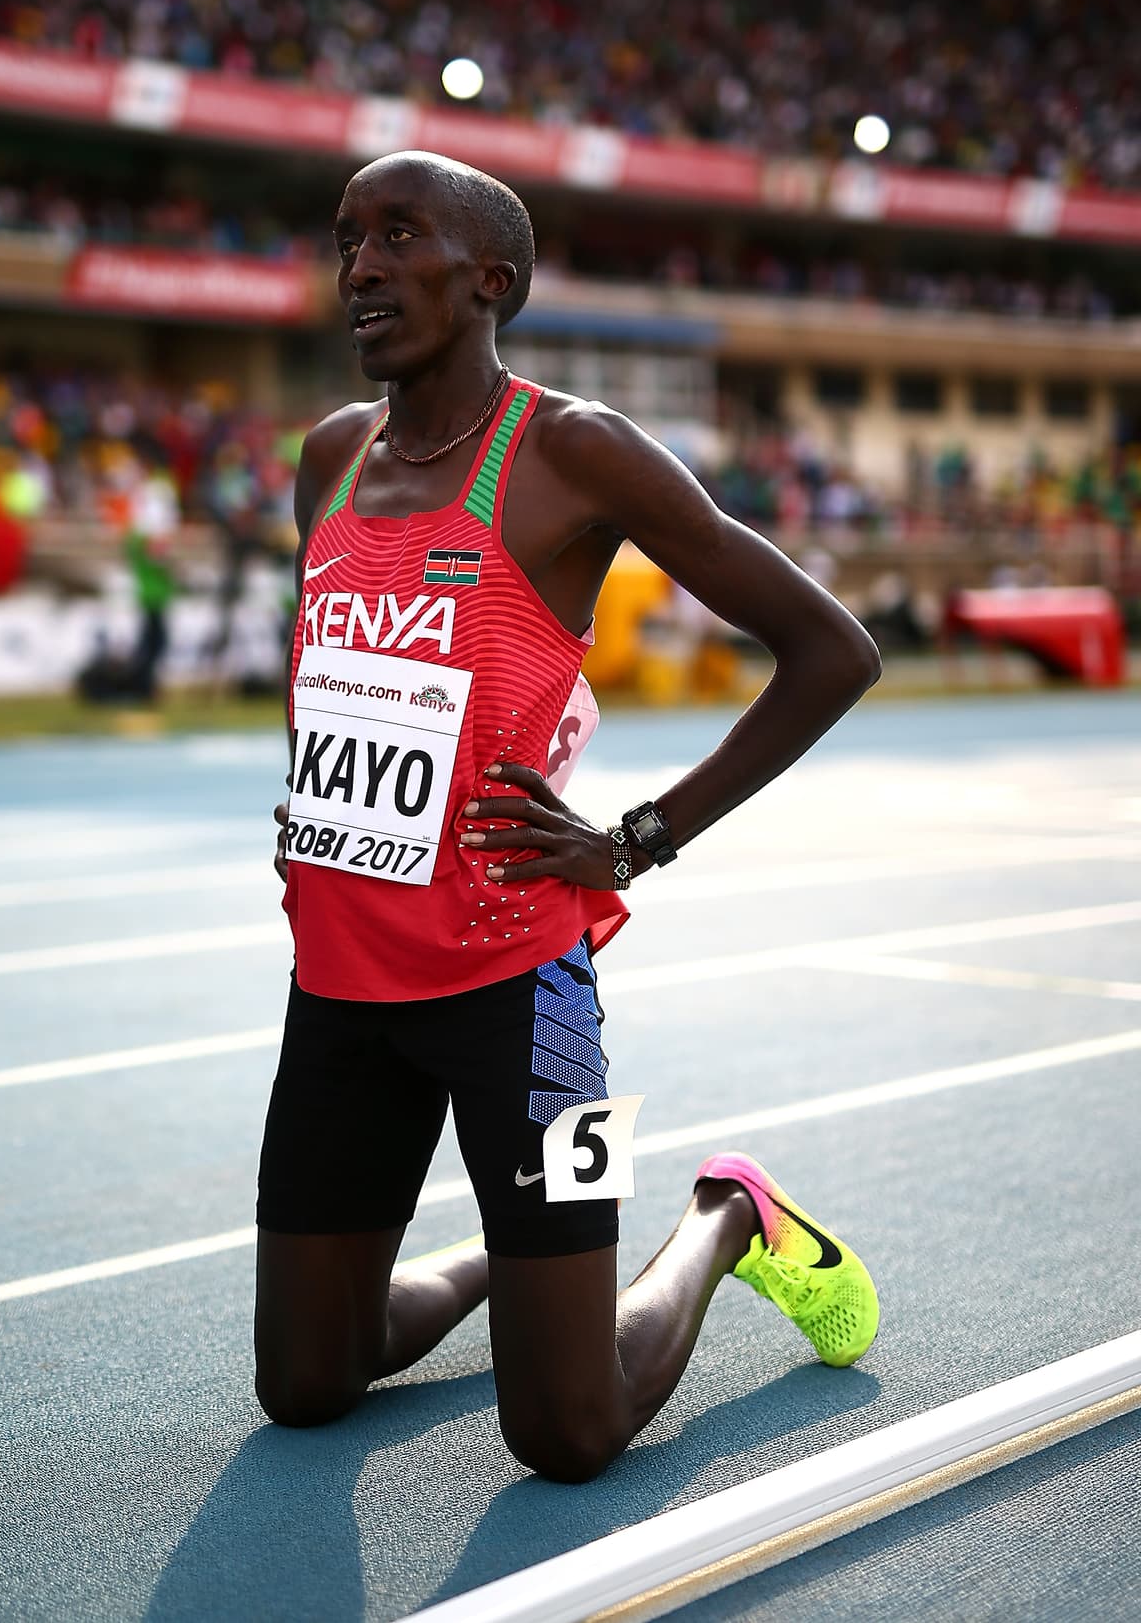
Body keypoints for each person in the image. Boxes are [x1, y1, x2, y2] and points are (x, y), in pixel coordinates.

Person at [258, 150, 882, 1483]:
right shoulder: (330, 456)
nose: (360, 265)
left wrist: (639, 839)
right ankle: (522, 1255)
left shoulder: (572, 451)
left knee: (568, 1429)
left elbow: (831, 651)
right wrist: (314, 802)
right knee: (307, 1384)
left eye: (398, 235)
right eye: (349, 237)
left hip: (519, 987)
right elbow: (331, 667)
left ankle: (726, 1214)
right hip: (342, 984)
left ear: (492, 280)